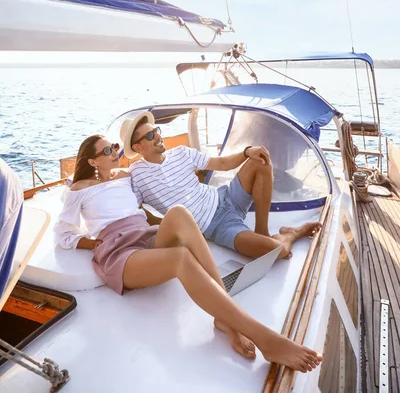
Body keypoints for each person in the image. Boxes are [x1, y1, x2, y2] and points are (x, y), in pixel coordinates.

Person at [54, 134, 323, 372]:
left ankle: (224, 316)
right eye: (108, 151)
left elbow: (147, 199)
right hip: (120, 251)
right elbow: (63, 233)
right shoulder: (78, 190)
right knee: (181, 259)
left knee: (179, 213)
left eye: (115, 147)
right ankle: (265, 339)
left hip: (145, 236)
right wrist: (92, 244)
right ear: (92, 162)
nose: (115, 153)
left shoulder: (126, 177)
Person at [122, 112, 321, 259]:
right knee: (278, 253)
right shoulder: (136, 175)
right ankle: (292, 233)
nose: (157, 136)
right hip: (217, 226)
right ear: (137, 148)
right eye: (149, 136)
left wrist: (246, 151)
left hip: (226, 196)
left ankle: (262, 230)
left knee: (259, 159)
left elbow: (222, 164)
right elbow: (133, 212)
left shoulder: (182, 153)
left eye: (156, 131)